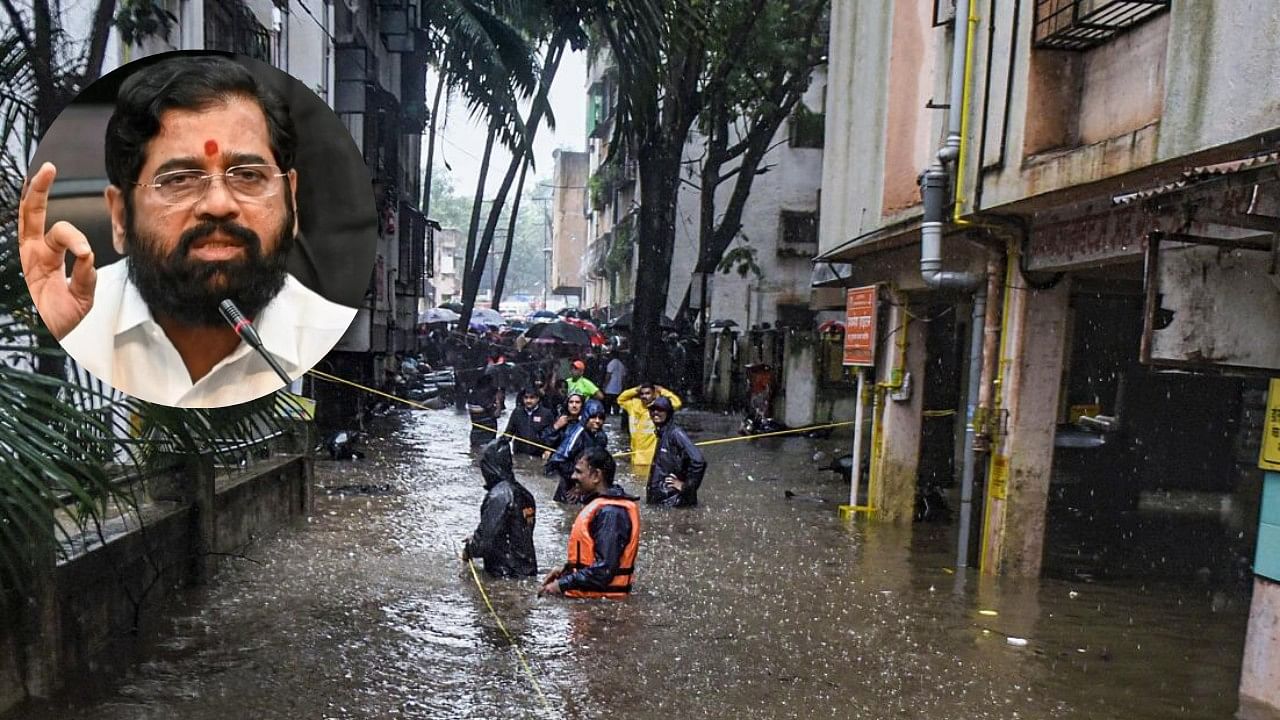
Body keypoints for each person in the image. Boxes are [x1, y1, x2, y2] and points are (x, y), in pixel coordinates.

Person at [17, 55, 356, 407]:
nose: (219, 204)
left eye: (247, 175)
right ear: (120, 216)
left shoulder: (323, 332)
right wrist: (47, 340)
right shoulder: (78, 325)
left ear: (292, 202)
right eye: (180, 179)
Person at [539, 447, 640, 599]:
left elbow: (604, 570)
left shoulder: (611, 513)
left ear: (596, 476)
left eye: (579, 472)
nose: (573, 476)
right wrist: (567, 570)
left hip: (603, 608)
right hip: (594, 601)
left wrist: (561, 585)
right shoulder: (605, 507)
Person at [462, 440, 537, 578]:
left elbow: (484, 542)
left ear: (489, 467)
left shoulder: (498, 496)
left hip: (505, 574)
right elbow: (512, 532)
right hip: (526, 570)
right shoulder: (525, 494)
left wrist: (469, 549)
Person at [645, 396, 707, 508]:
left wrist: (686, 487)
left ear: (668, 413)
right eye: (653, 409)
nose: (655, 412)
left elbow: (698, 461)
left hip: (673, 501)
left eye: (660, 409)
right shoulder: (662, 433)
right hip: (660, 501)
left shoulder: (675, 433)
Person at [544, 399, 609, 503]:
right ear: (586, 417)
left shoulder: (601, 437)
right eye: (593, 417)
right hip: (570, 487)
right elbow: (560, 461)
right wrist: (577, 485)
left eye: (600, 418)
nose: (597, 421)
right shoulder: (577, 434)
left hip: (589, 485)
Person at [616, 381, 683, 469]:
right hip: (635, 457)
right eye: (642, 394)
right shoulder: (633, 405)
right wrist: (635, 390)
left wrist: (662, 390)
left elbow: (677, 403)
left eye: (648, 393)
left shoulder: (658, 409)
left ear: (654, 394)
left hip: (651, 460)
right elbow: (620, 399)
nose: (644, 396)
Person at [504, 386, 555, 456]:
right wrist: (501, 442)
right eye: (526, 397)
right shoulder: (517, 412)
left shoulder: (546, 414)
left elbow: (552, 434)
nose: (528, 401)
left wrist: (548, 449)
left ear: (538, 398)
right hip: (519, 453)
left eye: (532, 398)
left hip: (539, 455)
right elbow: (509, 431)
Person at [466, 374, 504, 447]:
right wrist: (498, 400)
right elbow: (496, 414)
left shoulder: (472, 395)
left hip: (475, 434)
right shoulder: (483, 398)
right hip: (486, 436)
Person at [603, 351, 627, 415]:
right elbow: (623, 378)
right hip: (618, 389)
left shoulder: (611, 363)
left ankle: (608, 417)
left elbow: (608, 375)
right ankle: (616, 417)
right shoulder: (622, 365)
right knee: (616, 405)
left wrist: (605, 385)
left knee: (607, 406)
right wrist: (623, 387)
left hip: (610, 388)